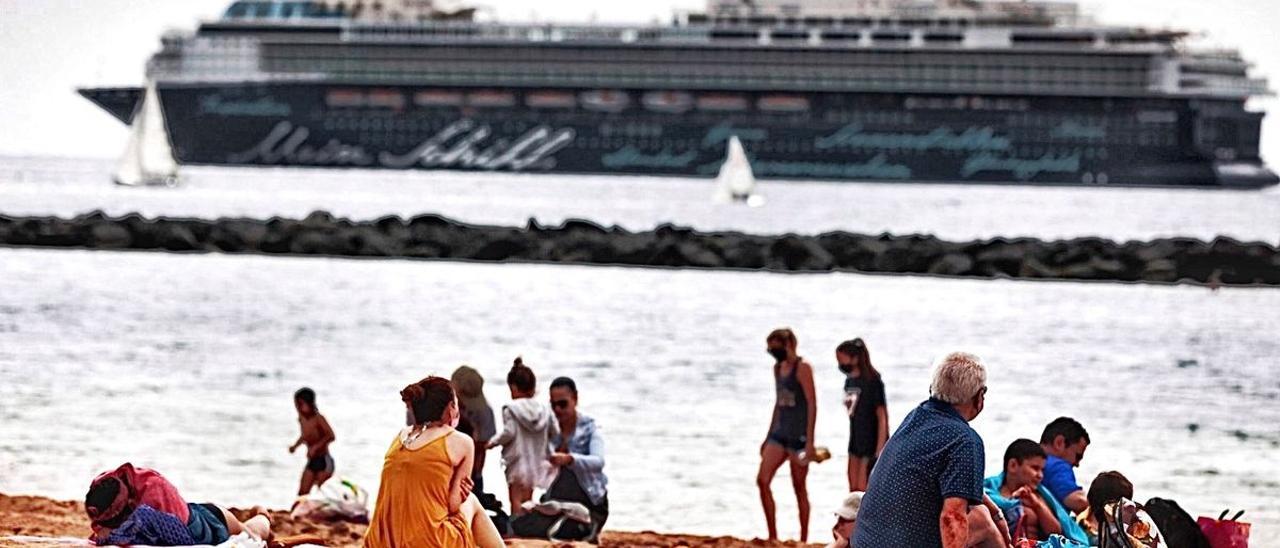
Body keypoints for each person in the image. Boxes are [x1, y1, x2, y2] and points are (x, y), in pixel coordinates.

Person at [853, 351, 1011, 548]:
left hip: (864, 541)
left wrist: (996, 511)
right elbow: (952, 517)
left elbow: (953, 482)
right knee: (981, 520)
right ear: (980, 397)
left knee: (984, 513)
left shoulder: (915, 418)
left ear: (932, 388)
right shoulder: (964, 439)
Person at [364, 376, 504, 548]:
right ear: (450, 407)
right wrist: (461, 493)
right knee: (472, 501)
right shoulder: (460, 441)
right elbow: (453, 506)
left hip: (380, 542)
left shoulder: (400, 437)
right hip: (429, 542)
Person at [84, 463, 271, 546]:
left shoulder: (152, 492)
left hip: (212, 522)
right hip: (188, 511)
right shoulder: (105, 486)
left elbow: (181, 542)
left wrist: (114, 535)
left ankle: (263, 514)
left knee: (254, 535)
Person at [757, 328, 818, 542]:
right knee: (762, 480)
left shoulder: (802, 368)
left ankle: (803, 538)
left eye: (776, 347)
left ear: (789, 344)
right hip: (779, 434)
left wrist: (810, 441)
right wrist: (768, 436)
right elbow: (778, 402)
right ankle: (772, 535)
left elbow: (811, 404)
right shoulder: (777, 368)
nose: (773, 352)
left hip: (798, 437)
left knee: (799, 486)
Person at [983, 439, 1088, 545]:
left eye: (1042, 470)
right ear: (1013, 465)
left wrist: (1037, 505)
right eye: (1035, 468)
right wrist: (1013, 503)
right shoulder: (990, 495)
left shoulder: (1038, 496)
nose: (1040, 475)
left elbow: (1056, 531)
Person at [486, 357, 556, 516]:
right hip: (536, 461)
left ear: (513, 387)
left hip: (517, 461)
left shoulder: (510, 408)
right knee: (528, 499)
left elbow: (509, 432)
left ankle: (517, 529)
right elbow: (555, 431)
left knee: (515, 500)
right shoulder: (544, 409)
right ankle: (527, 527)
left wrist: (493, 442)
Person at [836, 338, 888, 492]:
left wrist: (880, 449)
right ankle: (853, 517)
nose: (840, 364)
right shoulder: (849, 381)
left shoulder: (873, 382)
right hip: (855, 438)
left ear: (855, 358)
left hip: (871, 440)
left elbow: (882, 416)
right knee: (852, 489)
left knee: (863, 488)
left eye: (842, 359)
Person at [452, 366, 497, 496]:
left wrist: (476, 477)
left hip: (472, 473)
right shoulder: (439, 409)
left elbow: (482, 447)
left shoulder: (484, 412)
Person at [289, 387, 337, 496]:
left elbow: (331, 436)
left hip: (324, 460)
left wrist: (316, 447)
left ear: (310, 403)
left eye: (301, 405)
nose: (298, 408)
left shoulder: (319, 418)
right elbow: (305, 436)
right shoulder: (302, 419)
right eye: (296, 405)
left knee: (323, 494)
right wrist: (295, 446)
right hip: (312, 461)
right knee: (302, 493)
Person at [1039, 417, 1091, 514]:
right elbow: (1078, 501)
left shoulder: (1025, 463)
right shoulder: (1057, 466)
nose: (1077, 464)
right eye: (1078, 456)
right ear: (1059, 443)